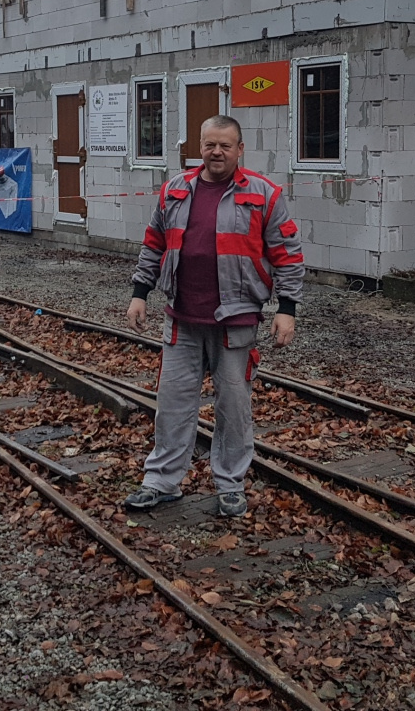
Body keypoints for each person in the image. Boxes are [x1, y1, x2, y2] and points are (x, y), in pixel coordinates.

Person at [124, 115, 303, 517]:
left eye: (225, 145)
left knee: (233, 410)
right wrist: (139, 294)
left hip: (235, 323)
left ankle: (230, 486)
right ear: (200, 147)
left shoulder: (264, 194)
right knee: (172, 405)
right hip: (182, 319)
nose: (216, 152)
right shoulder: (175, 190)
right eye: (209, 144)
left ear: (240, 149)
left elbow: (288, 255)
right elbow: (153, 244)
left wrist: (287, 309)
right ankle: (161, 482)